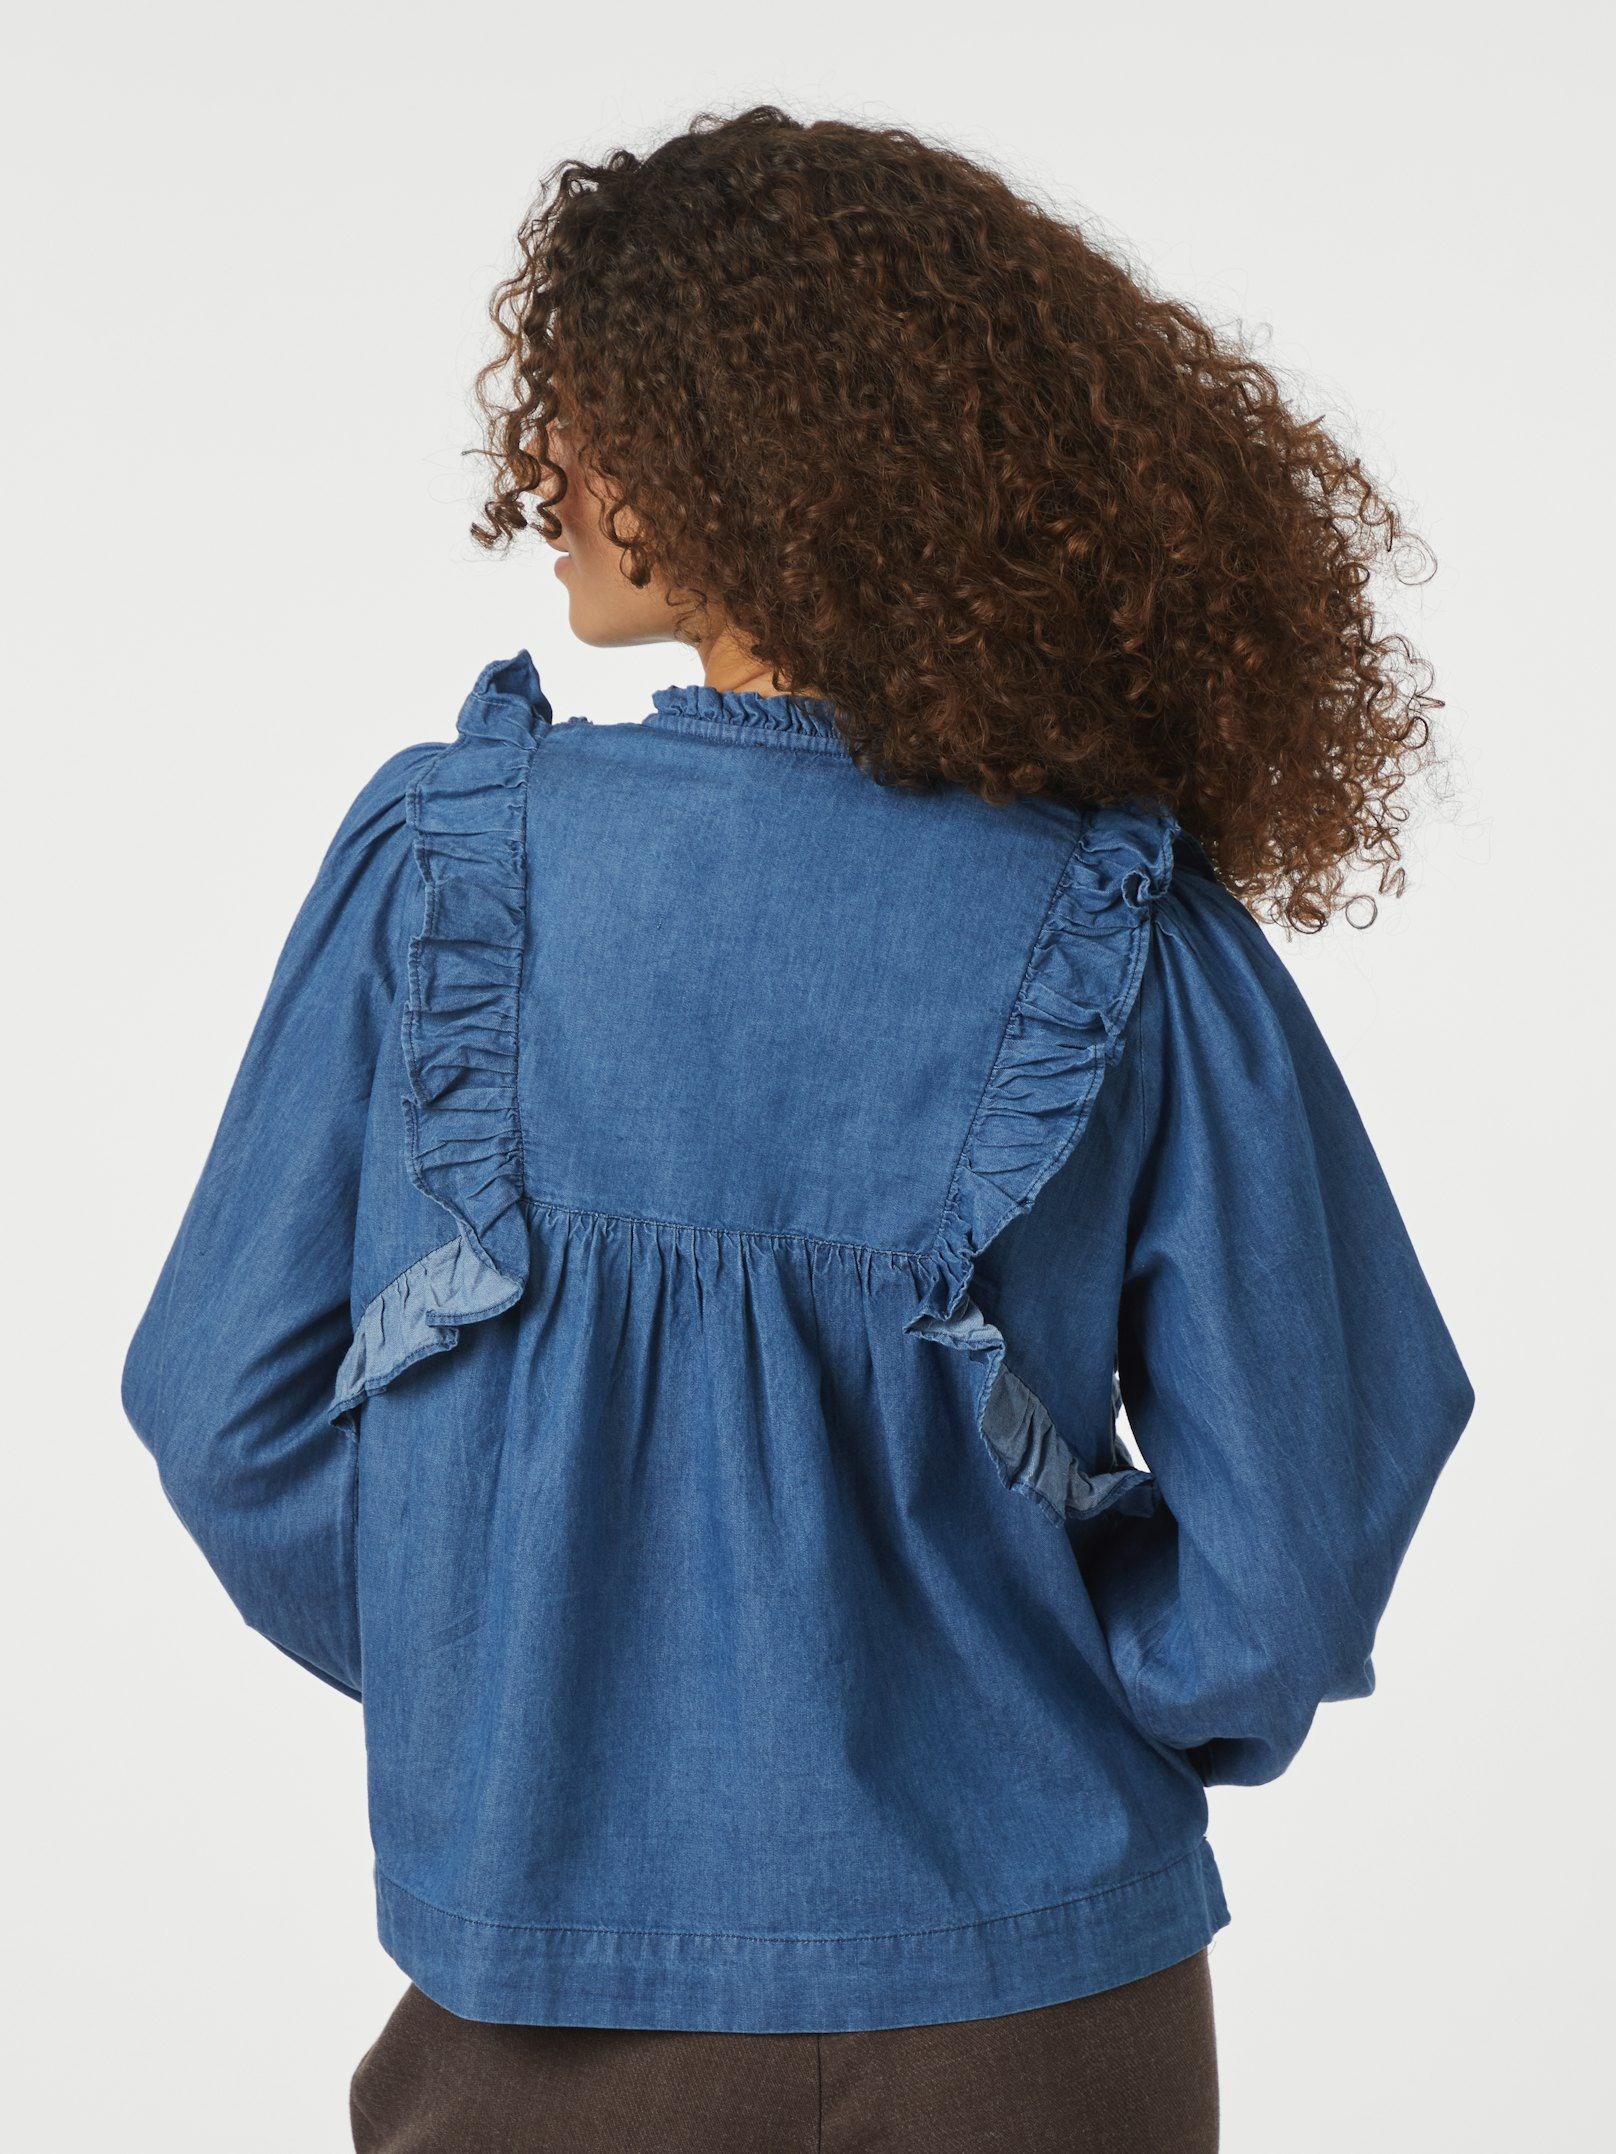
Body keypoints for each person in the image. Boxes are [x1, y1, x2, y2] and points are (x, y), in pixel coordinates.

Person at [121, 106, 1475, 2153]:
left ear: (764, 455)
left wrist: (529, 1675)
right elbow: (1300, 1525)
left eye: (596, 415)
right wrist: (1065, 1685)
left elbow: (227, 1415)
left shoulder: (448, 870)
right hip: (1048, 2020)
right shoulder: (1126, 932)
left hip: (552, 2018)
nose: (541, 470)